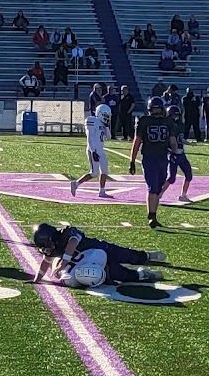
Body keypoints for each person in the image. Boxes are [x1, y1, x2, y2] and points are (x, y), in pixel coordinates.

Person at [29, 221, 166, 289]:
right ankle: (144, 274)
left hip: (100, 248)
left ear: (51, 238)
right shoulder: (53, 249)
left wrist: (63, 262)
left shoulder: (66, 234)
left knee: (130, 256)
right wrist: (37, 278)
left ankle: (148, 256)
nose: (46, 250)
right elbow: (45, 262)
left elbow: (72, 244)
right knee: (122, 275)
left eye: (45, 245)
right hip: (93, 262)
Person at [131, 95, 179, 228]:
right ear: (150, 110)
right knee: (152, 188)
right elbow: (137, 142)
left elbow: (172, 140)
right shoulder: (144, 121)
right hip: (149, 158)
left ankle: (154, 215)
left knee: (158, 188)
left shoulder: (168, 122)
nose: (157, 112)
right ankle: (151, 216)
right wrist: (132, 160)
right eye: (155, 109)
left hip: (163, 158)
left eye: (159, 109)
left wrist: (174, 153)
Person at [71, 101, 114, 199]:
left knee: (104, 171)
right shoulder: (92, 120)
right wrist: (93, 151)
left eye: (108, 115)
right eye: (105, 115)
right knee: (94, 173)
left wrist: (107, 127)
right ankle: (76, 184)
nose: (107, 117)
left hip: (100, 149)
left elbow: (109, 137)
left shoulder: (104, 124)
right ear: (99, 113)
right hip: (93, 149)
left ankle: (102, 191)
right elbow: (89, 138)